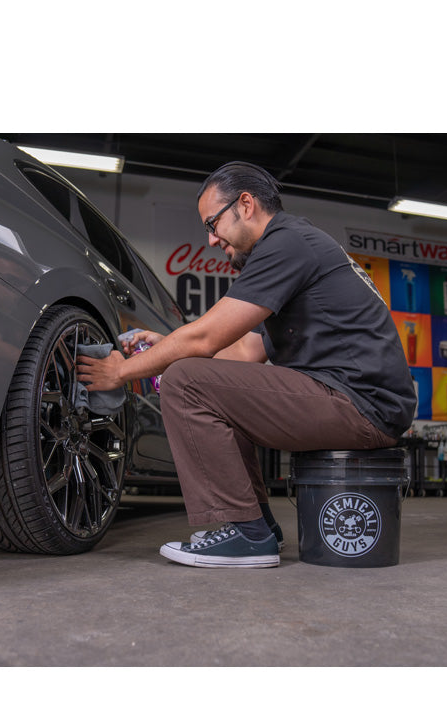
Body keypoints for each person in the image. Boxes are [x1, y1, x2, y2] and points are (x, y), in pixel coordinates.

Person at [76, 161, 416, 569]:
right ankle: (259, 526)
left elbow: (205, 339)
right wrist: (165, 345)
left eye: (213, 224)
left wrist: (120, 372)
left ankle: (245, 534)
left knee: (183, 381)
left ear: (246, 205)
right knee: (206, 385)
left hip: (362, 404)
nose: (211, 239)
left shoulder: (286, 243)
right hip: (357, 400)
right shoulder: (292, 246)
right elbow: (242, 354)